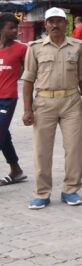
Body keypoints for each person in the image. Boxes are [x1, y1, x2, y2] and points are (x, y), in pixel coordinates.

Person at [21, 8, 82, 209]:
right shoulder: (35, 48)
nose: (55, 25)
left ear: (65, 24)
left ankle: (71, 190)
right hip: (43, 103)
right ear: (45, 24)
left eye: (59, 21)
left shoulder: (77, 47)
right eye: (51, 21)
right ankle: (42, 192)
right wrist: (27, 110)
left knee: (74, 148)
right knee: (42, 150)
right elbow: (27, 81)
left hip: (71, 102)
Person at [0, 13, 27, 187]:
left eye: (16, 27)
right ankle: (16, 170)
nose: (15, 31)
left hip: (8, 98)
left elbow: (30, 70)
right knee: (4, 135)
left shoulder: (22, 49)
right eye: (11, 27)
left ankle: (16, 170)